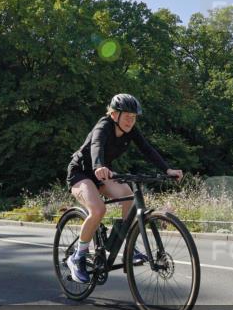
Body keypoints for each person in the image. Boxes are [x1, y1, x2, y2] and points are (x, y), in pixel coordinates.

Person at [65, 94, 182, 283]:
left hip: (103, 173)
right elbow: (96, 145)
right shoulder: (103, 126)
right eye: (126, 115)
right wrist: (98, 166)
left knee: (129, 196)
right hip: (82, 173)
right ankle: (77, 257)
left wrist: (167, 169)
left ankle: (120, 239)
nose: (130, 120)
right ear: (113, 114)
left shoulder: (131, 131)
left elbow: (147, 149)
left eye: (134, 116)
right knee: (98, 210)